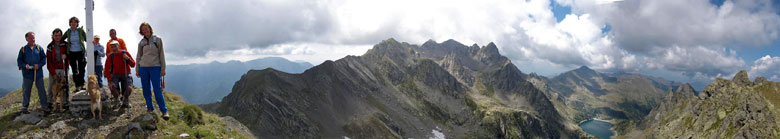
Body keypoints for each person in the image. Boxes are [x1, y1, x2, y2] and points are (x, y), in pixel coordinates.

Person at [136, 22, 169, 119]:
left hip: (155, 67)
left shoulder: (157, 40)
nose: (145, 30)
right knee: (146, 89)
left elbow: (161, 54)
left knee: (157, 89)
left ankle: (164, 110)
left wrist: (163, 68)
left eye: (146, 28)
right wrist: (137, 69)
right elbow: (139, 56)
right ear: (141, 32)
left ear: (150, 28)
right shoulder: (141, 43)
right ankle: (150, 108)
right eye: (143, 30)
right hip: (143, 68)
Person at [17, 32, 49, 115]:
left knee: (41, 90)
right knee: (26, 90)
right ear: (26, 39)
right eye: (31, 38)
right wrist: (25, 65)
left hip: (38, 73)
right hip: (27, 73)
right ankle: (25, 107)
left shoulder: (38, 48)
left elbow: (44, 59)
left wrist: (39, 65)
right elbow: (19, 61)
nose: (33, 39)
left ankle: (44, 106)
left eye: (33, 38)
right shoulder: (23, 49)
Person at [104, 41, 134, 108]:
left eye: (115, 46)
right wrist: (110, 81)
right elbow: (106, 69)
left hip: (126, 73)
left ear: (119, 46)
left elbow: (133, 64)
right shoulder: (110, 56)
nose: (113, 48)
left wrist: (128, 59)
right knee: (112, 87)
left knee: (129, 88)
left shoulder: (125, 53)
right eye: (112, 47)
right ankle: (117, 99)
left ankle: (125, 99)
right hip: (116, 74)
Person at [46, 28, 70, 110]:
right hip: (54, 68)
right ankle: (49, 103)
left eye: (59, 35)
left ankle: (64, 102)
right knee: (51, 86)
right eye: (55, 35)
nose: (57, 37)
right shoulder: (50, 46)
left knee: (65, 86)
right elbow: (48, 61)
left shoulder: (65, 44)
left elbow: (70, 55)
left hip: (63, 68)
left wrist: (66, 58)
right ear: (53, 36)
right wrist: (53, 74)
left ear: (61, 36)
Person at [63, 16, 88, 90]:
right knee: (74, 69)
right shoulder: (68, 32)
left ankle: (82, 84)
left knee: (82, 68)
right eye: (72, 22)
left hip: (80, 52)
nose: (73, 23)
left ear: (77, 23)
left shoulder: (80, 31)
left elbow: (87, 38)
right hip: (71, 53)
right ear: (70, 23)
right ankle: (77, 85)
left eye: (75, 22)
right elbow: (62, 39)